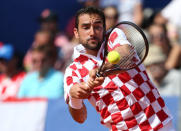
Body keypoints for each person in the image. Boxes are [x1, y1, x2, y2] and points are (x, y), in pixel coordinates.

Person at [64, 7, 173, 131]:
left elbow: (126, 55)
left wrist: (102, 70)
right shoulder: (72, 71)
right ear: (76, 32)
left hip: (158, 123)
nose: (92, 32)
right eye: (86, 27)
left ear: (104, 28)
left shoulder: (113, 36)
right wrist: (74, 98)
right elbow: (80, 118)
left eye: (97, 26)